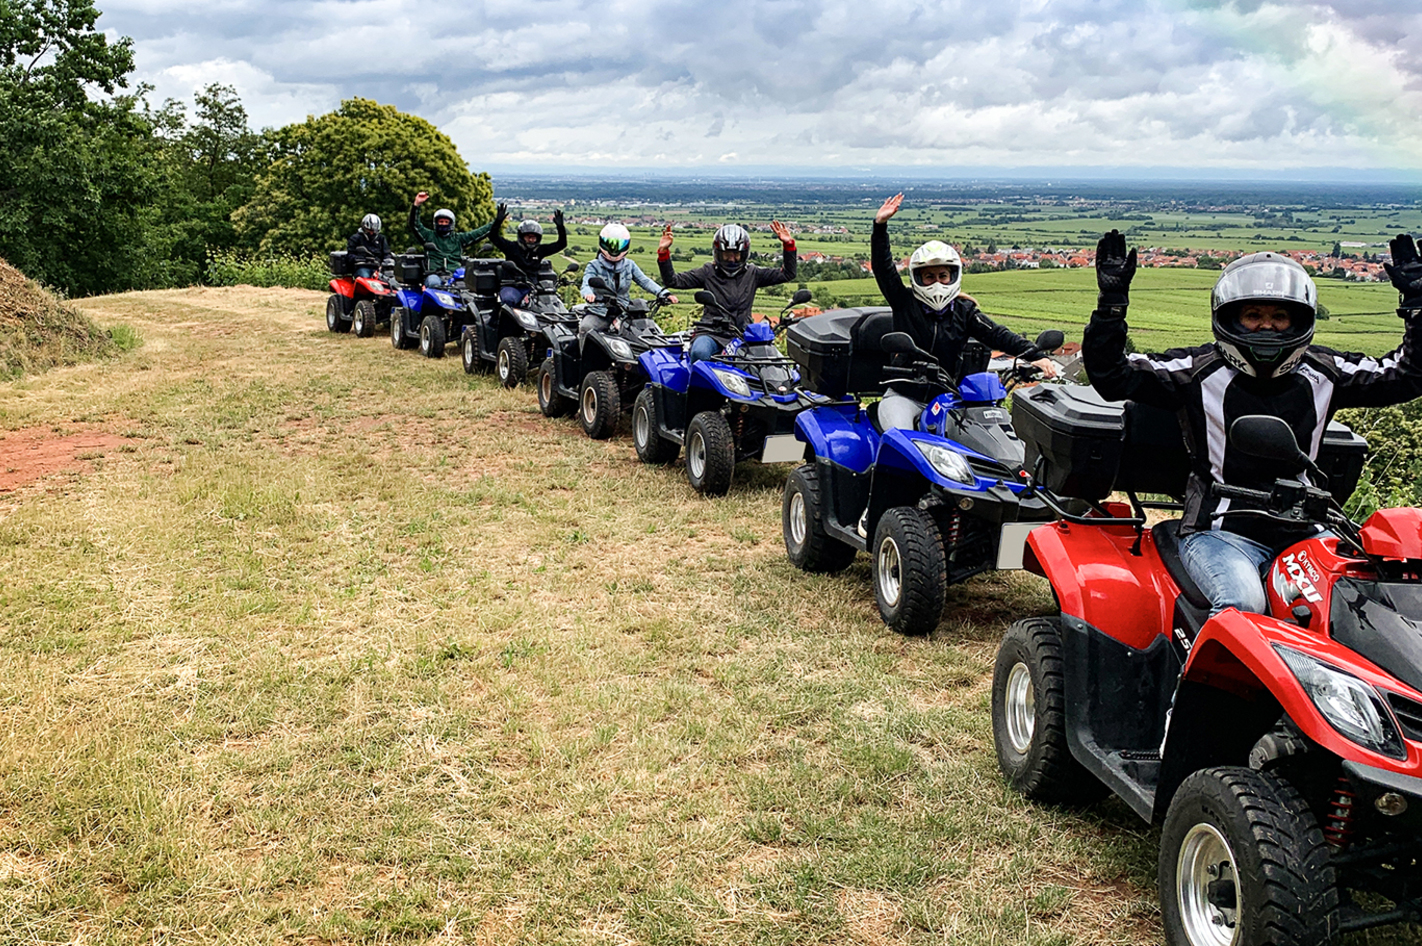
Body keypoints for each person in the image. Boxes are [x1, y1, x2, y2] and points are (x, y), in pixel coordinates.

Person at [1083, 229, 1422, 615]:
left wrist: (1417, 306)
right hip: (1221, 530)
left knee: (1359, 609)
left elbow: (1408, 374)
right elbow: (1112, 376)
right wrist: (1111, 305)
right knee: (1243, 604)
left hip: (1305, 528)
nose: (1266, 327)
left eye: (1279, 317)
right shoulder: (1196, 373)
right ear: (1231, 318)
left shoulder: (1325, 373)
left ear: (1300, 322)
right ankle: (1203, 676)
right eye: (1253, 315)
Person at [871, 192, 1059, 431]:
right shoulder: (904, 302)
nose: (936, 282)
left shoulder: (964, 311)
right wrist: (880, 226)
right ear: (918, 278)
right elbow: (883, 268)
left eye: (942, 275)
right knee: (901, 441)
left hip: (950, 399)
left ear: (953, 277)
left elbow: (999, 335)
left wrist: (1035, 356)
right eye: (929, 277)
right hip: (905, 396)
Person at [657, 220, 797, 364]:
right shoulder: (707, 272)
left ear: (744, 254)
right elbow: (673, 281)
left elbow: (787, 274)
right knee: (700, 352)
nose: (731, 259)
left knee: (770, 362)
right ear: (718, 253)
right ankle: (694, 386)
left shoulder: (753, 273)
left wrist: (788, 245)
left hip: (744, 334)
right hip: (711, 333)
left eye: (736, 254)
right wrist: (663, 253)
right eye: (726, 254)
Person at [577, 223, 677, 338]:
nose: (614, 249)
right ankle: (584, 355)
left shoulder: (629, 265)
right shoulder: (594, 266)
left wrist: (664, 293)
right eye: (610, 244)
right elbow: (586, 283)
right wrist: (588, 294)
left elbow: (644, 281)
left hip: (625, 312)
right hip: (600, 311)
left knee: (645, 334)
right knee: (586, 328)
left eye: (620, 245)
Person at [489, 203, 568, 306]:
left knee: (552, 304)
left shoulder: (540, 250)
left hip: (532, 288)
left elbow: (561, 244)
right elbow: (493, 237)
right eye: (528, 237)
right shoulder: (511, 247)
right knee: (508, 300)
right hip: (512, 286)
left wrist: (560, 227)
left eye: (533, 237)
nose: (531, 240)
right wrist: (498, 221)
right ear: (522, 237)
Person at [408, 192, 493, 287]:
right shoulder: (429, 236)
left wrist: (496, 223)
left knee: (472, 283)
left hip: (455, 274)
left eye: (446, 222)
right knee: (434, 284)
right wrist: (417, 205)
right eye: (440, 221)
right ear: (435, 223)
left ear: (451, 223)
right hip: (434, 274)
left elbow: (478, 233)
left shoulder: (458, 238)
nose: (443, 224)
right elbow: (415, 224)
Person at [347, 213, 390, 278]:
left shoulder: (381, 239)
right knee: (365, 277)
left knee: (390, 279)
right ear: (364, 228)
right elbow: (350, 255)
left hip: (379, 268)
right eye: (369, 230)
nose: (371, 233)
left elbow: (387, 254)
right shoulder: (355, 238)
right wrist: (360, 259)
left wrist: (386, 262)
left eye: (374, 231)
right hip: (362, 267)